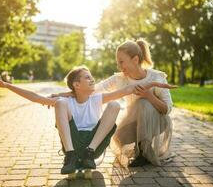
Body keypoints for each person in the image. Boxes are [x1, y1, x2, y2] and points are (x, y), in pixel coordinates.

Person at [0, 65, 175, 174]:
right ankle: (70, 156)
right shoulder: (67, 101)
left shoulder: (96, 98)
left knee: (115, 105)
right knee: (59, 103)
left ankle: (88, 153)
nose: (92, 80)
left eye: (92, 77)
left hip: (93, 145)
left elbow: (128, 89)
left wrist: (157, 82)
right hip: (74, 144)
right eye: (87, 78)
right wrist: (6, 85)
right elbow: (35, 97)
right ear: (76, 85)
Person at [54, 39, 175, 167]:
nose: (119, 66)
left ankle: (143, 151)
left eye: (121, 62)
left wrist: (149, 95)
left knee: (143, 103)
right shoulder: (119, 79)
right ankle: (138, 147)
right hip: (134, 121)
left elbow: (167, 109)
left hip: (158, 122)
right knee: (118, 137)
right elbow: (93, 90)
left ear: (135, 60)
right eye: (118, 63)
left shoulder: (156, 77)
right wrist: (66, 94)